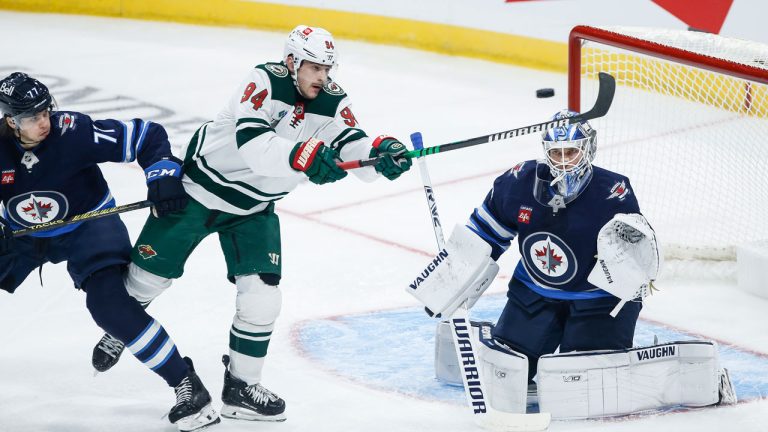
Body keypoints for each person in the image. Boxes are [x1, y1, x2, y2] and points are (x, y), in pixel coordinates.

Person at [90, 24, 412, 422]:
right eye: (315, 68)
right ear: (292, 61)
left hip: (255, 208)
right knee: (147, 280)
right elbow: (256, 147)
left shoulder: (331, 97)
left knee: (262, 299)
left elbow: (348, 141)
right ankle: (122, 325)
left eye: (328, 69)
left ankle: (241, 387)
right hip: (199, 192)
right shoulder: (264, 81)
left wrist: (379, 153)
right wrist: (305, 156)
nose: (323, 78)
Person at [413, 110, 735, 418]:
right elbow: (484, 235)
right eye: (557, 153)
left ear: (588, 149)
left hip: (598, 299)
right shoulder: (518, 183)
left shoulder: (613, 192)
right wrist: (453, 275)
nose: (564, 161)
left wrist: (627, 279)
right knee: (510, 368)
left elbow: (635, 262)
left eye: (572, 152)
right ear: (546, 152)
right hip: (535, 292)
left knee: (581, 379)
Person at [0, 72, 220, 431]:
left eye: (45, 112)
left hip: (88, 224)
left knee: (109, 307)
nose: (43, 122)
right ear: (11, 121)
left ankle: (187, 385)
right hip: (24, 234)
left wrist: (162, 173)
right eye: (31, 118)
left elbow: (147, 136)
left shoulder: (73, 132)